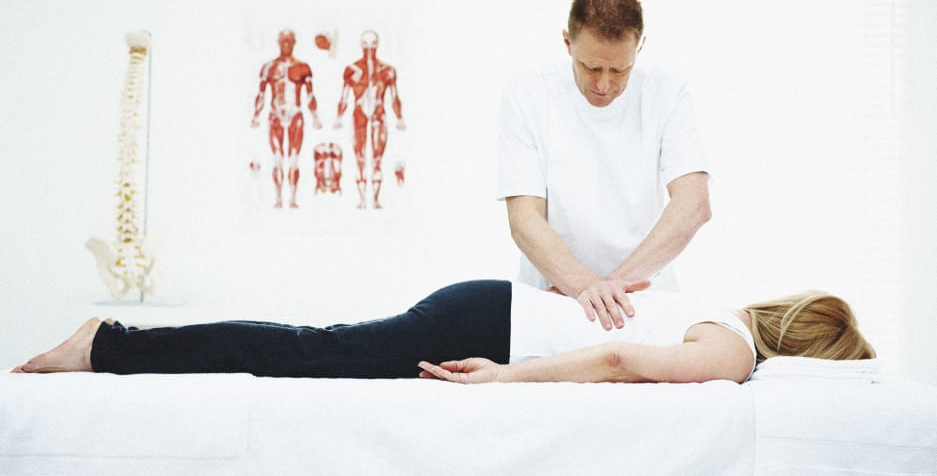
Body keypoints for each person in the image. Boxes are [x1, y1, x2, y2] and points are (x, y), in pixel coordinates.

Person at [11, 280, 875, 385]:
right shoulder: (731, 351)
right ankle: (112, 341)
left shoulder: (722, 308)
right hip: (486, 320)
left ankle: (115, 339)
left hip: (486, 303)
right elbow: (616, 355)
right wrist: (505, 376)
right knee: (311, 350)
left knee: (317, 343)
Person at [497, 0, 711, 331]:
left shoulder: (667, 93)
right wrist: (582, 287)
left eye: (620, 70)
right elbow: (524, 218)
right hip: (551, 300)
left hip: (646, 302)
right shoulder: (528, 94)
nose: (604, 84)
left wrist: (608, 288)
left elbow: (694, 204)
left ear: (640, 47)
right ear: (568, 42)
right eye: (591, 67)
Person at [250, 29, 323, 208]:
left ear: (294, 42)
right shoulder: (269, 67)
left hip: (295, 115)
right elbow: (261, 94)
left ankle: (292, 198)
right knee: (277, 157)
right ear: (278, 42)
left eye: (289, 41)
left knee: (293, 158)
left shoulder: (303, 67)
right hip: (275, 115)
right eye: (283, 40)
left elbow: (310, 95)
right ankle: (277, 198)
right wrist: (256, 115)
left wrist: (315, 117)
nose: (286, 44)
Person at [334, 30, 406, 209]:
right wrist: (338, 117)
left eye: (372, 43)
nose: (369, 47)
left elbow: (394, 96)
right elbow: (344, 96)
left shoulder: (387, 70)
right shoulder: (352, 70)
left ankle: (375, 199)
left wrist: (399, 118)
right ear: (361, 44)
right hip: (359, 113)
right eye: (365, 43)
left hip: (379, 114)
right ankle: (361, 199)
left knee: (376, 158)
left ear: (377, 44)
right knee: (359, 156)